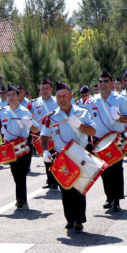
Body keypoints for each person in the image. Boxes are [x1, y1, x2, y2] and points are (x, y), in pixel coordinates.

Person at [40, 81, 97, 232]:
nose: (62, 99)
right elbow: (44, 136)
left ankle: (79, 218)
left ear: (71, 96)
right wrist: (45, 151)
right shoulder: (51, 117)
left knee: (79, 187)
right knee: (65, 188)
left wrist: (80, 126)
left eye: (65, 95)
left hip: (80, 155)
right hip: (62, 157)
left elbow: (93, 132)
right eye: (59, 96)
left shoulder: (82, 113)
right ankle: (70, 218)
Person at [87, 69, 127, 211]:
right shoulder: (91, 101)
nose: (103, 84)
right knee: (104, 171)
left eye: (106, 81)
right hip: (99, 141)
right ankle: (109, 197)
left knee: (117, 169)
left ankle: (117, 199)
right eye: (100, 81)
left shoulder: (119, 99)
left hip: (116, 139)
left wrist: (119, 118)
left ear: (111, 83)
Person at [0, 85, 36, 208]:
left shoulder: (25, 111)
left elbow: (36, 129)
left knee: (22, 173)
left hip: (24, 146)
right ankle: (21, 198)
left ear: (18, 96)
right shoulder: (2, 112)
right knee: (15, 173)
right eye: (9, 95)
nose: (11, 97)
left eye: (13, 95)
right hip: (10, 148)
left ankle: (21, 198)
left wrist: (29, 124)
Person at [29, 77, 59, 189]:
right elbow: (30, 116)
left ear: (51, 89)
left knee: (56, 158)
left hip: (56, 135)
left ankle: (56, 180)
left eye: (47, 88)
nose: (45, 90)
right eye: (42, 88)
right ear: (40, 90)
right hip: (43, 135)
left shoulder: (57, 100)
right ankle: (49, 180)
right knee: (46, 158)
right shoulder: (35, 103)